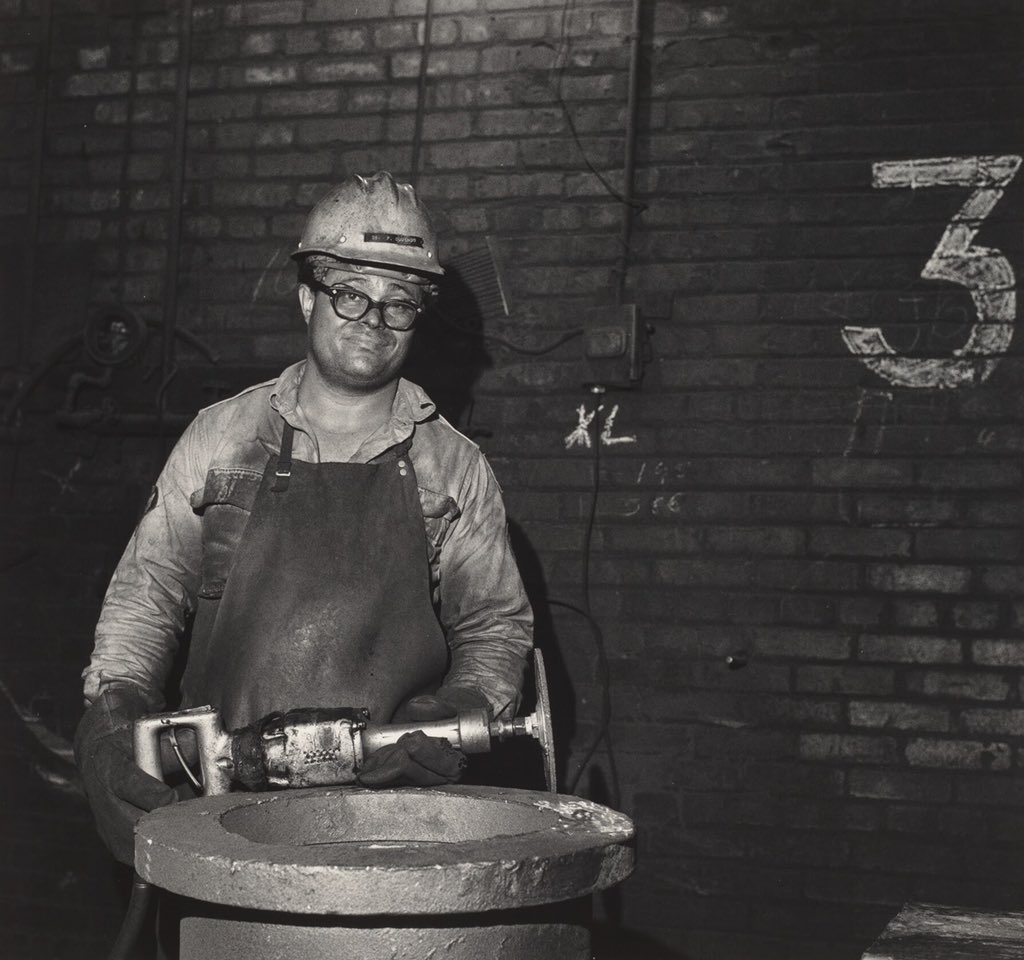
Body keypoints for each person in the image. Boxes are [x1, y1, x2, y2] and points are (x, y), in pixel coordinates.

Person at [74, 171, 534, 865]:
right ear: (306, 298)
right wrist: (113, 718)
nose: (374, 323)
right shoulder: (222, 437)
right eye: (350, 295)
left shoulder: (453, 466)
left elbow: (494, 628)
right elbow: (147, 599)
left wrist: (451, 717)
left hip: (392, 823)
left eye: (399, 303)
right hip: (219, 813)